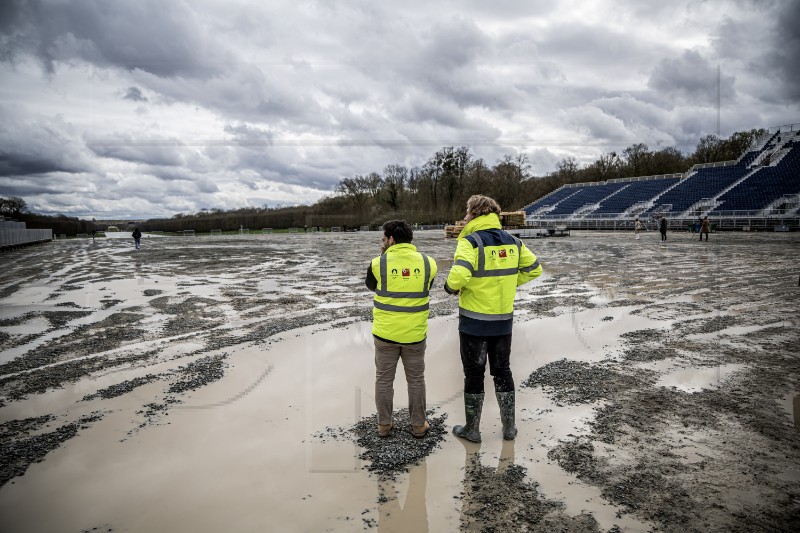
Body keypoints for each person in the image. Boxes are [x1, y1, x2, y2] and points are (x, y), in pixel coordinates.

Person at [444, 195, 542, 442]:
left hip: (474, 323)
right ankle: (509, 428)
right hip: (502, 322)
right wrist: (510, 283)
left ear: (475, 214)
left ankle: (472, 429)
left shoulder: (470, 241)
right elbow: (535, 269)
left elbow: (459, 276)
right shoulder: (513, 242)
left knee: (474, 374)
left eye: (467, 213)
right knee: (502, 371)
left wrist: (450, 287)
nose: (464, 218)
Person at [365, 220, 438, 438]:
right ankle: (418, 425)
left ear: (391, 239)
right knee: (416, 380)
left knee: (384, 379)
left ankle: (384, 425)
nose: (382, 242)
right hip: (415, 334)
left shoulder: (378, 263)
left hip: (385, 334)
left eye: (383, 238)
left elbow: (371, 286)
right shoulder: (429, 263)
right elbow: (427, 286)